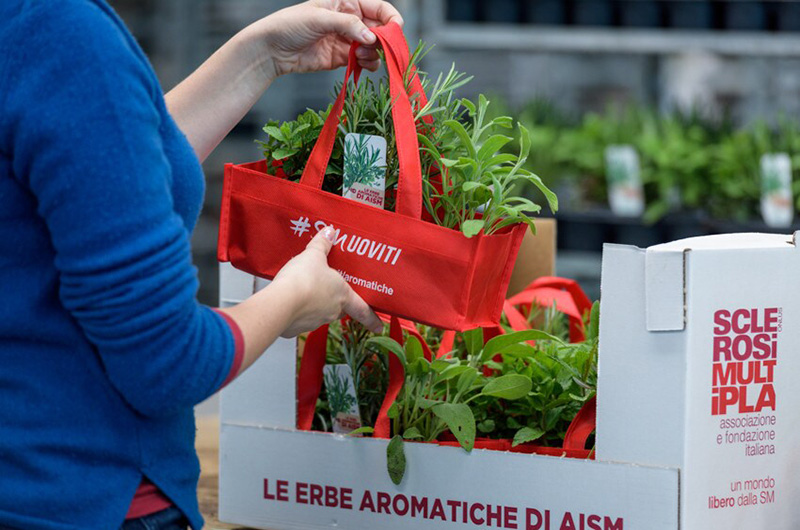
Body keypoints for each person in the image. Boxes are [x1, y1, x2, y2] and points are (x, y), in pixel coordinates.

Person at [0, 0, 402, 529]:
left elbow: (102, 170)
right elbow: (167, 362)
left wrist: (263, 55)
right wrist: (292, 299)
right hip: (81, 497)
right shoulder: (63, 35)